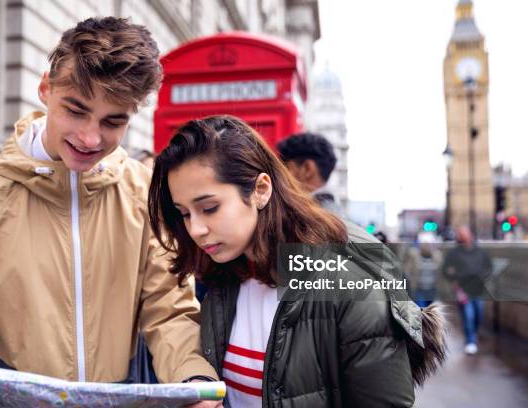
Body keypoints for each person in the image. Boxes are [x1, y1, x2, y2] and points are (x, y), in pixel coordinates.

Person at [0, 16, 220, 404]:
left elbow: (170, 313)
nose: (91, 137)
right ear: (45, 88)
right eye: (76, 110)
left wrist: (193, 379)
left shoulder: (145, 195)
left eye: (113, 121)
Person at [148, 116, 447, 407]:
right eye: (185, 213)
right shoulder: (223, 277)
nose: (195, 229)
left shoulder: (349, 282)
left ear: (261, 190)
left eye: (209, 208)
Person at [443, 225, 492, 355]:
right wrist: (453, 279)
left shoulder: (480, 252)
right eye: (460, 234)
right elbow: (446, 270)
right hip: (462, 290)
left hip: (478, 289)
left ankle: (473, 335)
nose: (462, 236)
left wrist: (483, 276)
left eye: (464, 233)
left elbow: (489, 267)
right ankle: (470, 341)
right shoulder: (453, 253)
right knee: (468, 315)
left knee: (478, 315)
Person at [277, 132, 343, 216]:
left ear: (307, 169)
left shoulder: (306, 219)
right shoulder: (336, 212)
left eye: (286, 167)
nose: (280, 175)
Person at [405, 232, 443, 308]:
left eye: (428, 244)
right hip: (419, 289)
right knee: (421, 311)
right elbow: (407, 270)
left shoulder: (437, 256)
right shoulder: (414, 255)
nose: (426, 246)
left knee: (432, 312)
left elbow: (441, 271)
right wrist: (411, 281)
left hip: (432, 290)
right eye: (424, 244)